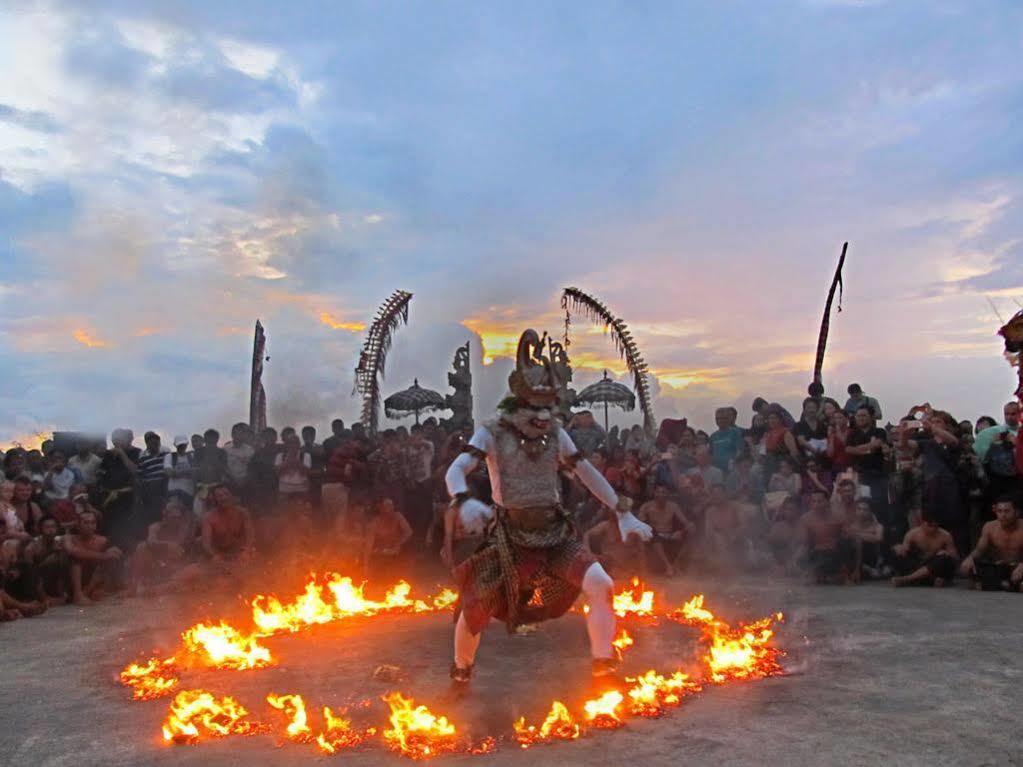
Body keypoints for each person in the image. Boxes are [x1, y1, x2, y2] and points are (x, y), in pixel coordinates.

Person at [444, 329, 651, 686]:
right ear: (517, 403)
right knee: (475, 609)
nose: (542, 416)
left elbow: (585, 472)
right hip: (509, 537)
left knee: (601, 584)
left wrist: (622, 511)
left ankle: (604, 663)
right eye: (534, 408)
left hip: (555, 533)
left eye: (547, 408)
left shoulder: (555, 432)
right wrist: (462, 500)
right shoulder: (491, 431)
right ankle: (462, 670)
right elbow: (457, 468)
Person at [130, 499, 197, 596]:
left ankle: (157, 589)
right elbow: (150, 541)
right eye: (172, 517)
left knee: (194, 570)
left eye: (177, 517)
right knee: (141, 547)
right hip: (157, 566)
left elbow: (180, 549)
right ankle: (134, 585)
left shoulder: (183, 528)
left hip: (176, 567)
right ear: (165, 515)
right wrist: (168, 545)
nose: (175, 520)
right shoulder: (155, 526)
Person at [960, 497, 1023, 591]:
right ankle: (1006, 585)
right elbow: (979, 550)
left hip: (1019, 567)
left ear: (1016, 512)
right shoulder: (989, 527)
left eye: (1007, 511)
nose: (1003, 515)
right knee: (971, 567)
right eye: (1000, 511)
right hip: (998, 568)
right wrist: (970, 558)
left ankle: (997, 584)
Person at [845, 406, 890, 534]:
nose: (860, 418)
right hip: (861, 476)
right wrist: (868, 448)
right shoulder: (853, 433)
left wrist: (857, 450)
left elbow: (878, 444)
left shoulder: (879, 431)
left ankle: (882, 538)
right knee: (863, 506)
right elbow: (848, 450)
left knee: (880, 507)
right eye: (858, 416)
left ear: (871, 417)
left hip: (878, 475)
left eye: (864, 415)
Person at [63, 509, 123, 604]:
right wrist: (103, 556)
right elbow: (72, 551)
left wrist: (109, 554)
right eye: (86, 523)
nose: (90, 526)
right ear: (78, 525)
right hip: (71, 582)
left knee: (113, 553)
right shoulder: (68, 538)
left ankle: (91, 590)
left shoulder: (102, 540)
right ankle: (78, 595)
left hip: (91, 582)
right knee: (75, 558)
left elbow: (116, 553)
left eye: (93, 523)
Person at [799, 489, 856, 584]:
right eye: (814, 501)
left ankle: (846, 574)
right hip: (817, 553)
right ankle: (816, 574)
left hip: (834, 553)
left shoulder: (838, 516)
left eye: (820, 501)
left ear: (827, 502)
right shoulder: (805, 519)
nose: (816, 504)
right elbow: (804, 541)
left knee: (848, 542)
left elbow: (849, 535)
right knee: (801, 552)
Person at [637, 483, 693, 576]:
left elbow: (685, 522)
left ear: (667, 494)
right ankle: (668, 566)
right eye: (658, 492)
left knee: (691, 529)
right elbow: (639, 521)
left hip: (670, 534)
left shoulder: (673, 506)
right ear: (654, 493)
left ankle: (676, 564)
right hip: (655, 535)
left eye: (664, 492)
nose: (661, 495)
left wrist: (682, 531)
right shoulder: (646, 506)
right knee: (652, 535)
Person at [891, 511, 958, 587]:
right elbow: (904, 552)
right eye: (930, 526)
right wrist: (899, 549)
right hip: (918, 564)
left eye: (935, 526)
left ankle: (907, 579)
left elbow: (954, 557)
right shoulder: (912, 534)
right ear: (923, 523)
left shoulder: (945, 535)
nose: (933, 529)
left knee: (944, 559)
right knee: (896, 553)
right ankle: (931, 581)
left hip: (935, 565)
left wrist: (946, 553)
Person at [98, 428, 140, 549]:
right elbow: (101, 473)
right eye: (114, 440)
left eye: (118, 440)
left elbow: (135, 471)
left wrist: (122, 454)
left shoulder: (136, 452)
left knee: (125, 528)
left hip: (128, 498)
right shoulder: (108, 455)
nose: (116, 443)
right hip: (109, 498)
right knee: (110, 527)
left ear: (126, 440)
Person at [201, 485, 256, 573]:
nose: (223, 497)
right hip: (218, 554)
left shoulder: (243, 513)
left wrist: (246, 551)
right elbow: (206, 543)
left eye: (226, 494)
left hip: (238, 553)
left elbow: (250, 535)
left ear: (232, 496)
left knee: (254, 565)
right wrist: (214, 555)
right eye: (219, 496)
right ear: (215, 500)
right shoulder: (209, 518)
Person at [584, 506, 646, 579]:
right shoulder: (605, 526)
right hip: (610, 564)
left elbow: (641, 549)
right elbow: (587, 534)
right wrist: (588, 552)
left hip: (629, 565)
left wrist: (642, 568)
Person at [362, 496, 413, 577]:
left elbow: (409, 532)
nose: (390, 508)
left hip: (398, 551)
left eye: (391, 505)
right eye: (387, 506)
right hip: (381, 552)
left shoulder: (398, 516)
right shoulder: (374, 523)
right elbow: (368, 545)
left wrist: (398, 543)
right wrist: (366, 565)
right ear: (381, 508)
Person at [24, 515, 69, 604]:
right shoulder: (32, 546)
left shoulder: (59, 541)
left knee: (63, 556)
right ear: (41, 529)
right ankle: (45, 598)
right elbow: (28, 571)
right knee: (55, 558)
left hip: (54, 580)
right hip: (37, 581)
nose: (51, 530)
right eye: (47, 527)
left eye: (53, 527)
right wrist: (51, 552)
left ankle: (63, 593)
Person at [137, 431, 170, 531]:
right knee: (153, 515)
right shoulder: (143, 458)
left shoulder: (166, 454)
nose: (153, 445)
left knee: (167, 512)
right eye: (150, 443)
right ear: (147, 444)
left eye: (156, 443)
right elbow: (140, 475)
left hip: (165, 486)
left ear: (159, 443)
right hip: (150, 490)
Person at [193, 428, 228, 515]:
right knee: (199, 515)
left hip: (217, 488)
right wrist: (196, 486)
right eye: (208, 440)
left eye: (213, 440)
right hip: (201, 488)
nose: (211, 442)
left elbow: (224, 469)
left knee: (219, 514)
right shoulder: (198, 452)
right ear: (205, 440)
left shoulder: (222, 452)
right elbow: (195, 470)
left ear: (217, 439)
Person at [275, 432, 312, 503]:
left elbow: (306, 473)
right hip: (284, 490)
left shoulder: (306, 455)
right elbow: (277, 473)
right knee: (283, 513)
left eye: (295, 443)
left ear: (299, 444)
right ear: (286, 445)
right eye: (290, 443)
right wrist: (287, 461)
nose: (293, 445)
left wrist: (296, 461)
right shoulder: (280, 456)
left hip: (301, 489)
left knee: (302, 513)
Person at [793, 398, 829, 465]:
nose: (811, 410)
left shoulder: (823, 425)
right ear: (804, 410)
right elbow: (801, 441)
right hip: (806, 459)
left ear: (817, 409)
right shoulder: (799, 425)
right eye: (809, 407)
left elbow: (827, 440)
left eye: (814, 407)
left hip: (822, 458)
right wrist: (814, 451)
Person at [224, 423, 255, 499]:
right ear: (232, 434)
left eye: (242, 433)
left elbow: (252, 468)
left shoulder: (250, 450)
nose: (239, 435)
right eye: (237, 433)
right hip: (229, 483)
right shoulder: (225, 449)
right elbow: (223, 467)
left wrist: (244, 479)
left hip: (245, 483)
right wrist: (233, 479)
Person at [709, 407, 744, 472]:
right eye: (717, 418)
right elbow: (710, 454)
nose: (720, 421)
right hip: (717, 471)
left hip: (731, 470)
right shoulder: (713, 436)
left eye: (722, 418)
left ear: (728, 419)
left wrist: (734, 461)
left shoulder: (735, 433)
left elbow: (739, 451)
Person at [164, 435, 196, 506]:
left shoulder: (191, 456)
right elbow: (169, 472)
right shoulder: (169, 456)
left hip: (189, 492)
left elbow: (195, 472)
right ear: (175, 445)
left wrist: (176, 473)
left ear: (187, 444)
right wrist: (188, 471)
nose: (182, 446)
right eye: (180, 445)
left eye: (183, 444)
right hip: (174, 493)